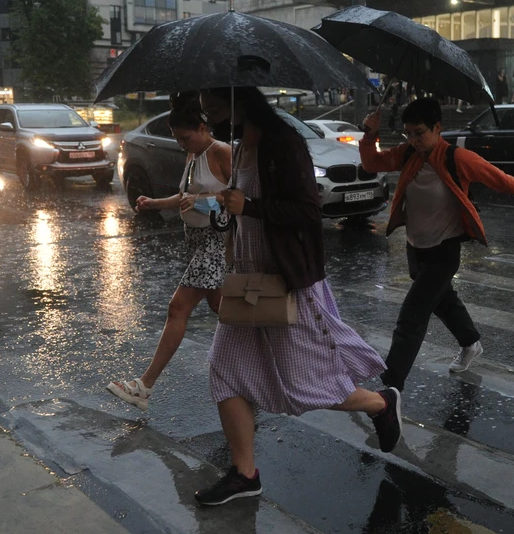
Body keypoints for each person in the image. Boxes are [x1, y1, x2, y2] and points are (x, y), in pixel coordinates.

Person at [194, 87, 400, 506]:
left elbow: (308, 211)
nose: (208, 117)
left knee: (306, 379)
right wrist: (229, 212)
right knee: (223, 370)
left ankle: (380, 404)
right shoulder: (239, 147)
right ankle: (244, 474)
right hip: (250, 283)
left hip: (287, 283)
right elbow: (243, 209)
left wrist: (248, 206)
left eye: (212, 108)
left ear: (237, 103)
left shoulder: (283, 143)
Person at [359, 98, 514, 394]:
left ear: (438, 128)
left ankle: (390, 391)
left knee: (412, 315)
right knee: (443, 299)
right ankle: (470, 342)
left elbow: (500, 180)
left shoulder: (457, 158)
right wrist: (370, 134)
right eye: (408, 133)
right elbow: (371, 163)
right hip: (416, 247)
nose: (413, 140)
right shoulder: (407, 154)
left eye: (419, 132)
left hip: (445, 251)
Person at [107, 95, 232, 411]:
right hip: (194, 239)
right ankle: (263, 359)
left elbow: (241, 195)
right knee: (224, 308)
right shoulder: (193, 155)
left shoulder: (221, 152)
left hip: (215, 242)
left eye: (185, 137)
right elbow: (185, 197)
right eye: (177, 139)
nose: (181, 144)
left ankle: (143, 386)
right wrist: (154, 202)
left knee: (178, 308)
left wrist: (207, 202)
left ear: (202, 128)